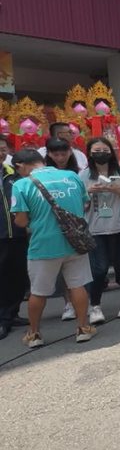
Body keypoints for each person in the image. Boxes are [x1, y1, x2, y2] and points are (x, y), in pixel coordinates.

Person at [10, 149, 95, 347]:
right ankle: (83, 328)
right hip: (75, 241)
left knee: (38, 292)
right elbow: (85, 205)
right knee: (77, 285)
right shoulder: (71, 176)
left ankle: (34, 334)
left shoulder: (21, 184)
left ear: (20, 166)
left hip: (43, 245)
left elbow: (21, 221)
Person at [80, 137, 120, 321]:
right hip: (96, 229)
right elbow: (79, 205)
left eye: (104, 150)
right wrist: (90, 193)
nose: (101, 154)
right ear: (90, 154)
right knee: (99, 269)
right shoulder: (83, 176)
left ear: (111, 152)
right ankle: (95, 305)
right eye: (96, 151)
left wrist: (117, 191)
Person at [44, 137, 80, 320]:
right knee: (61, 268)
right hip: (53, 225)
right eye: (55, 154)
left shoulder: (76, 172)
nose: (60, 157)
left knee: (79, 268)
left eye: (63, 153)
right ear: (49, 154)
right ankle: (68, 303)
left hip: (78, 225)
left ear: (69, 152)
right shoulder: (43, 174)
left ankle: (82, 303)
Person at [0, 143, 30, 339]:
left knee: (19, 277)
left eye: (3, 148)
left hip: (18, 233)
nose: (1, 151)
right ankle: (3, 319)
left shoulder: (12, 173)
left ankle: (12, 313)